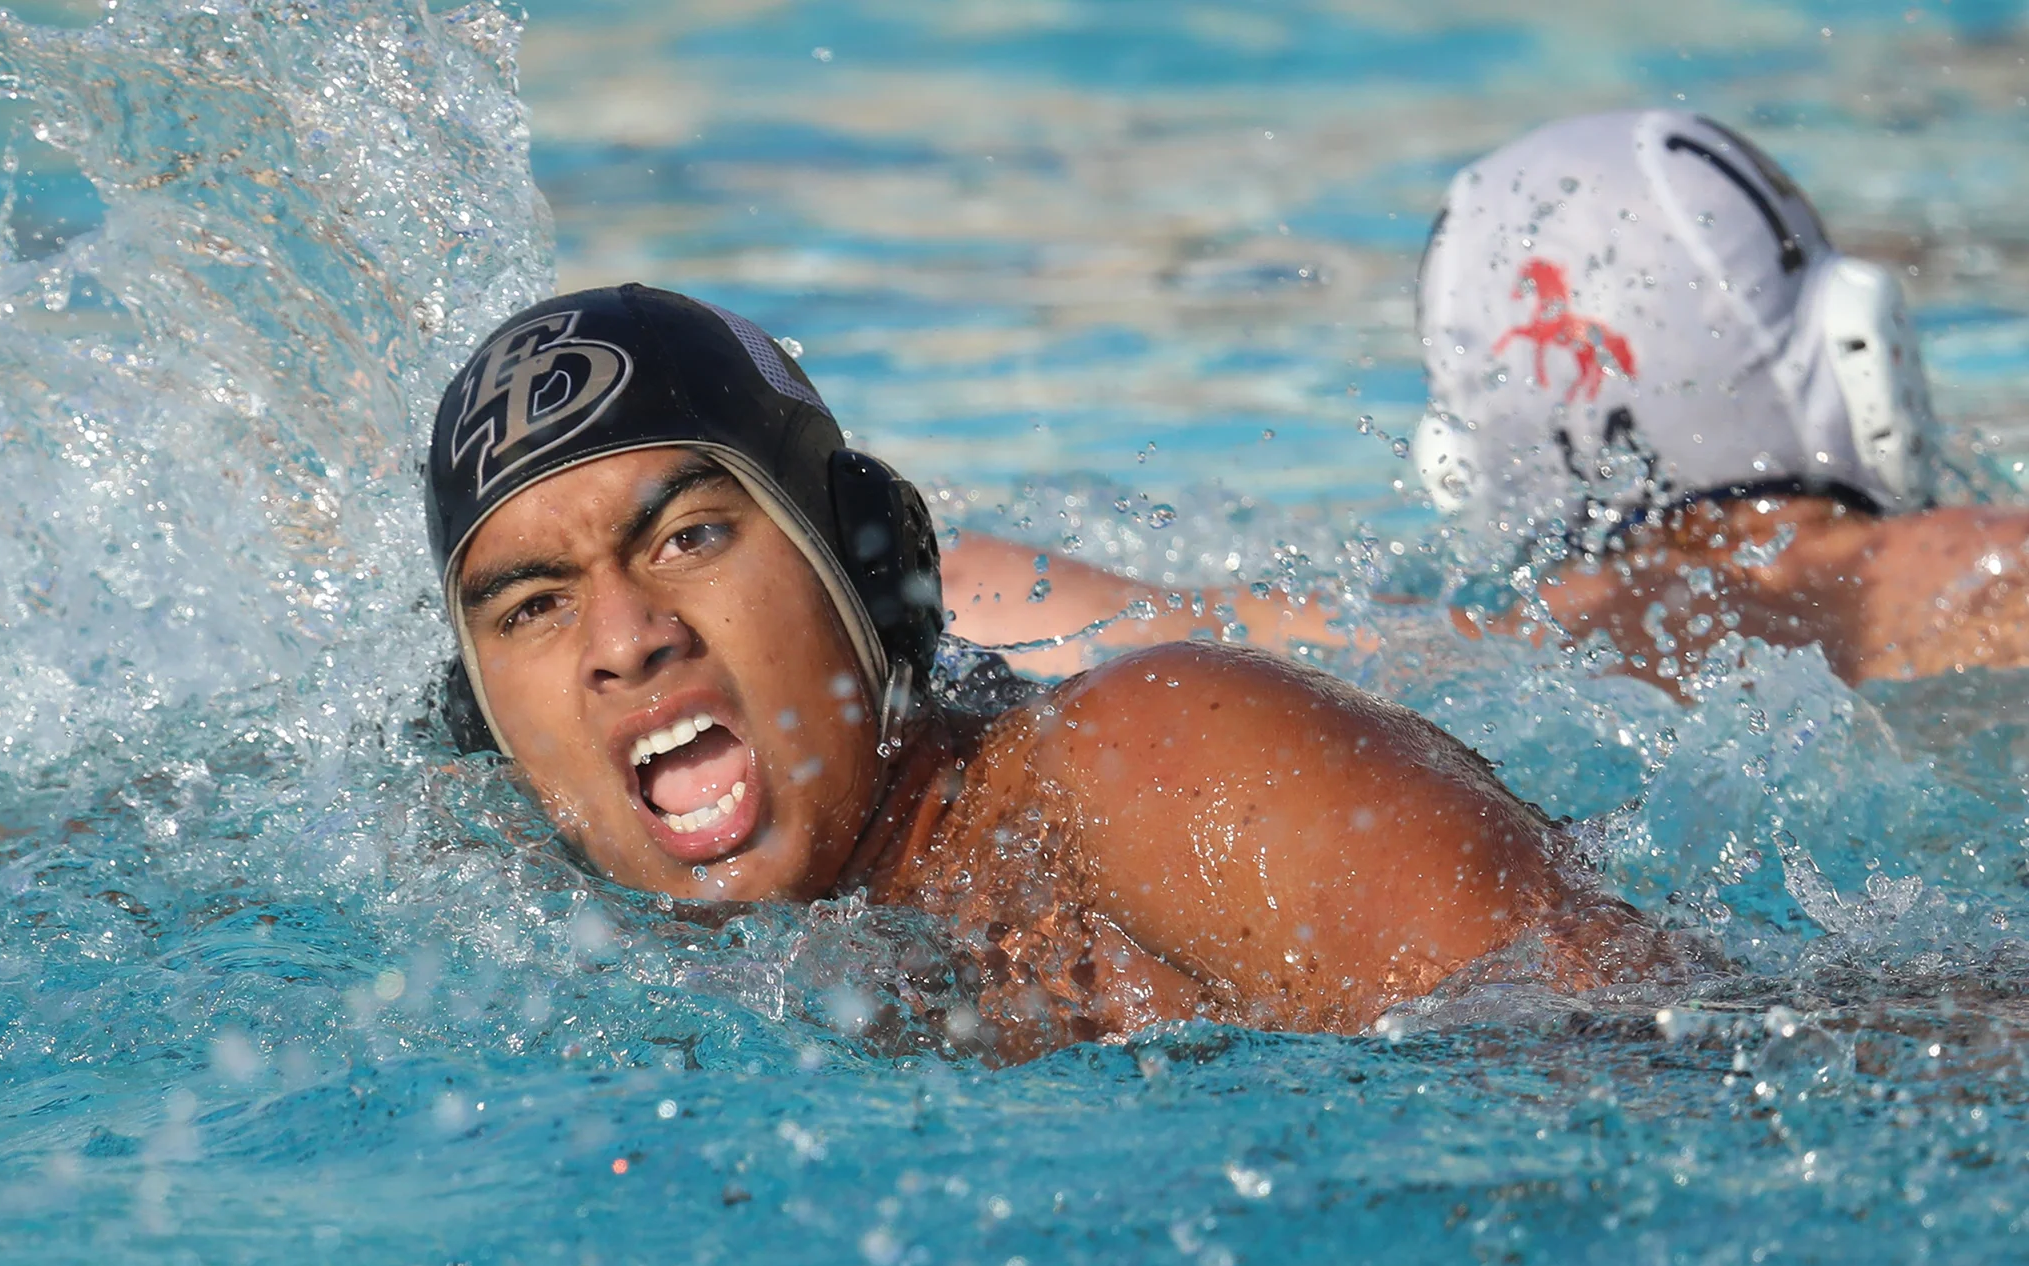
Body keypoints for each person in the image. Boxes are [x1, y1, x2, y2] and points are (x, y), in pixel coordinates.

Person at [425, 285, 1670, 1058]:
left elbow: (1658, 1061)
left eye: (692, 536)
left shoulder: (1156, 766)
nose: (625, 638)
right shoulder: (541, 957)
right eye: (533, 606)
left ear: (866, 568)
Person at [941, 110, 2029, 691]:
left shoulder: (1464, 651)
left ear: (1458, 460)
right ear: (1862, 352)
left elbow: (968, 589)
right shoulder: (1987, 577)